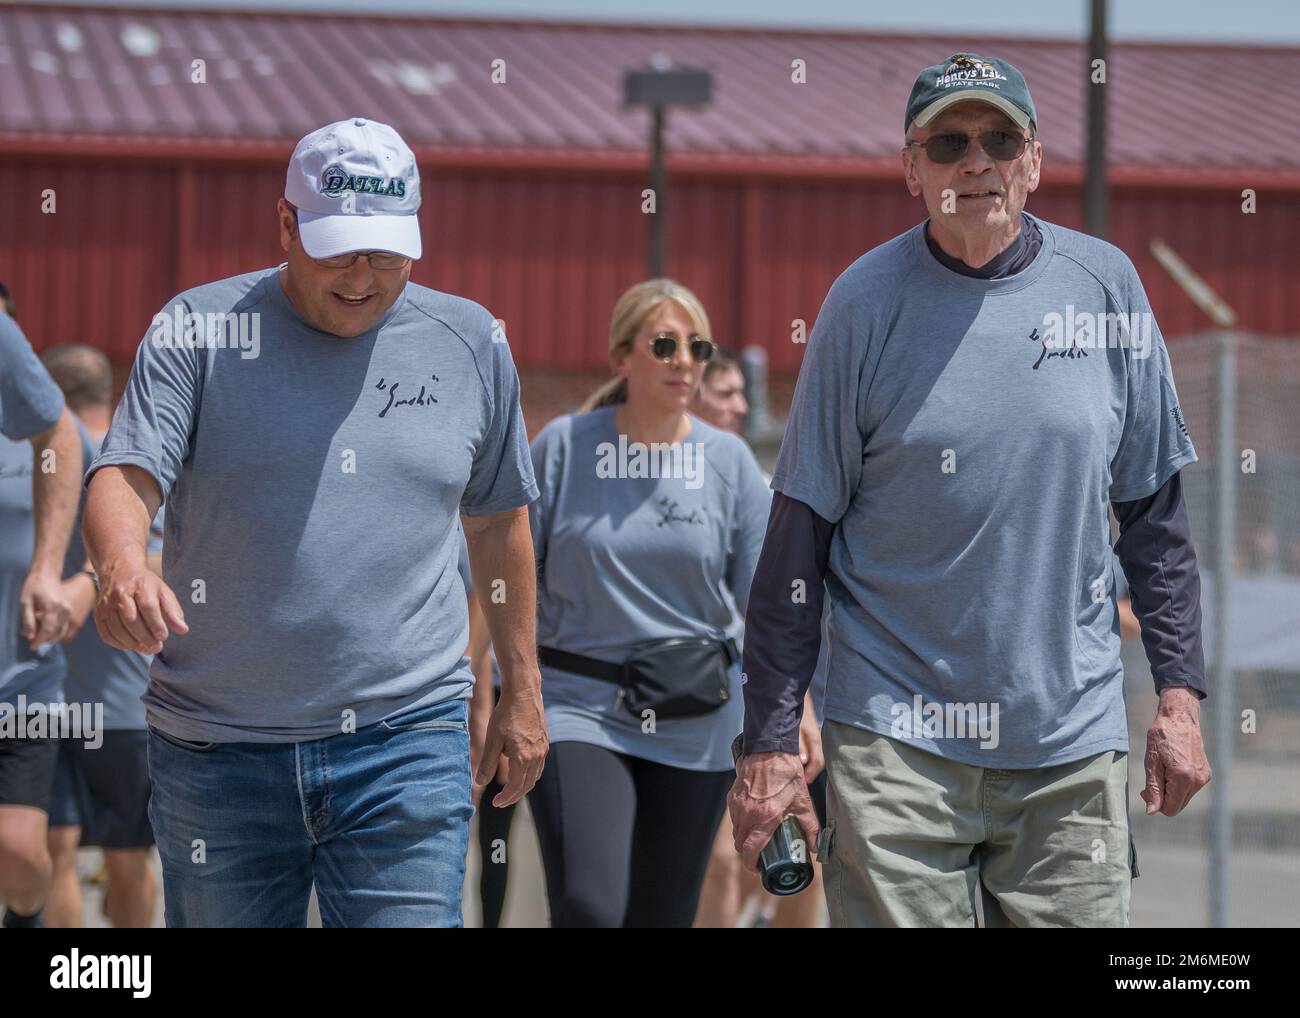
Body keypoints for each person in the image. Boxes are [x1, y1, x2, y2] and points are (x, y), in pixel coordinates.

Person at [731, 54, 1211, 928]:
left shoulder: (1106, 289)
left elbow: (1154, 518)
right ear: (911, 167)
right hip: (895, 739)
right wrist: (767, 737)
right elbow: (798, 536)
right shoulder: (861, 305)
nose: (975, 162)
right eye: (949, 142)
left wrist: (1180, 696)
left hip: (1067, 740)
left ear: (1033, 160)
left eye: (999, 139)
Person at [82, 118, 547, 928]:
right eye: (341, 251)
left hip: (405, 740)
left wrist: (521, 686)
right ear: (288, 225)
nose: (364, 277)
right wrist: (122, 566)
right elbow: (126, 474)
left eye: (388, 253)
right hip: (217, 749)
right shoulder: (201, 330)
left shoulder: (472, 342)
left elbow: (498, 521)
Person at [527, 279, 771, 927]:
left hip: (696, 719)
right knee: (590, 907)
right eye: (664, 345)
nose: (685, 360)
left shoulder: (730, 463)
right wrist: (495, 691)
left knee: (662, 916)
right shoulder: (563, 448)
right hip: (579, 708)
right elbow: (508, 579)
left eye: (697, 346)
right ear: (621, 358)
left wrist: (794, 710)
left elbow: (770, 606)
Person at [691, 349, 826, 928]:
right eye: (723, 393)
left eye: (740, 395)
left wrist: (801, 706)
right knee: (722, 859)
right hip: (705, 695)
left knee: (802, 852)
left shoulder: (764, 484)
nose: (739, 406)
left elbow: (777, 601)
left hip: (774, 689)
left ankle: (766, 912)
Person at [40, 345, 163, 928]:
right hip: (125, 705)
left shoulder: (47, 467)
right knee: (127, 857)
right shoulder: (136, 472)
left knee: (54, 853)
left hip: (45, 701)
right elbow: (171, 567)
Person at [0, 309, 85, 928]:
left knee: (24, 850)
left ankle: (25, 919)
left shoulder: (54, 434)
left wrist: (61, 576)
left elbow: (138, 529)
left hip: (22, 677)